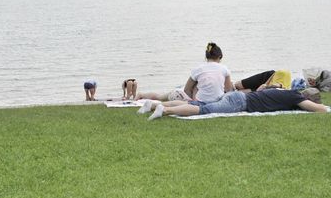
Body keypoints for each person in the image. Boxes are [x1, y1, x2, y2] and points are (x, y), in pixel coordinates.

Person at [138, 88, 328, 121]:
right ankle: (165, 111)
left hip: (236, 96)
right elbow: (318, 109)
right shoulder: (296, 98)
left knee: (197, 102)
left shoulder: (287, 92)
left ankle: (153, 104)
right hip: (239, 103)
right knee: (202, 109)